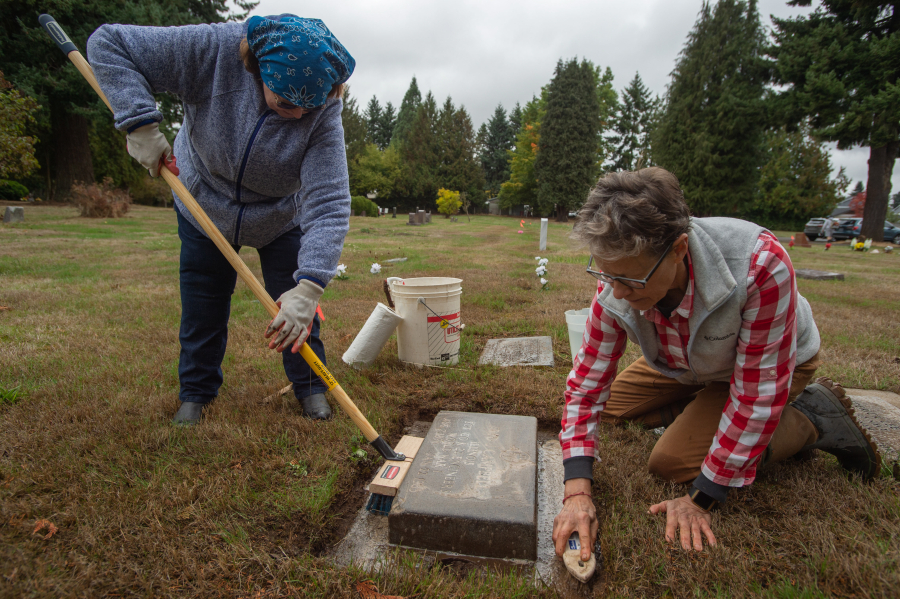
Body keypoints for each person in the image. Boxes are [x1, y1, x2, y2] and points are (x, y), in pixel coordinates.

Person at [552, 168, 880, 558]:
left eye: (631, 281)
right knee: (614, 409)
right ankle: (704, 412)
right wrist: (576, 491)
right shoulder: (618, 279)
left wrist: (701, 498)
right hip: (685, 363)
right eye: (606, 274)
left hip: (763, 369)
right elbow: (587, 388)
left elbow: (756, 396)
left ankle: (811, 417)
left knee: (672, 461)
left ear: (678, 250)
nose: (617, 293)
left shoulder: (760, 266)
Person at [87, 15, 355, 423]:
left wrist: (311, 284)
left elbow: (329, 199)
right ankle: (196, 394)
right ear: (258, 69)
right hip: (203, 199)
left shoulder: (323, 108)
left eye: (309, 105)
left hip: (280, 214)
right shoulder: (211, 51)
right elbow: (110, 44)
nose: (299, 115)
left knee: (296, 308)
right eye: (286, 102)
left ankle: (312, 387)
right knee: (203, 304)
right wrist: (138, 121)